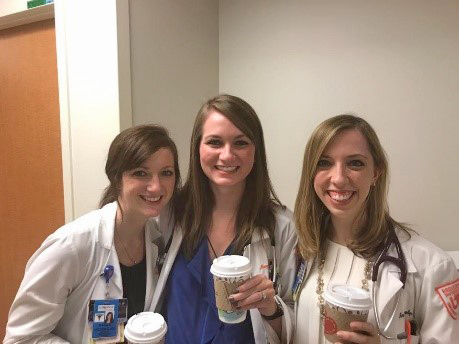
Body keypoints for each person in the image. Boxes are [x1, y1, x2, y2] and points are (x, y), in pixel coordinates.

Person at [4, 125, 181, 344]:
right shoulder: (71, 246)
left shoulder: (157, 241)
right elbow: (21, 338)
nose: (156, 186)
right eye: (141, 173)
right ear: (117, 179)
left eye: (166, 173)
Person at [292, 114, 459, 343]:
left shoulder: (432, 266)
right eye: (324, 162)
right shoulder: (302, 248)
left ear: (376, 173)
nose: (339, 178)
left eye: (355, 163)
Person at [149, 94, 297, 344]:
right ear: (198, 148)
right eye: (215, 142)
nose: (227, 156)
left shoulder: (282, 227)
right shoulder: (169, 214)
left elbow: (300, 321)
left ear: (256, 151)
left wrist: (272, 307)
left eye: (240, 143)